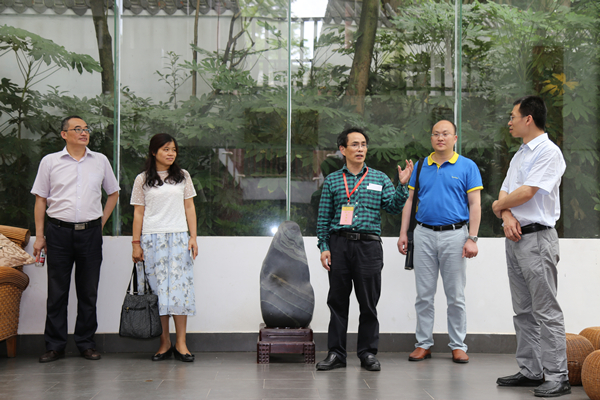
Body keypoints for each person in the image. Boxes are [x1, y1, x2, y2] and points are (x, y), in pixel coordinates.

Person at [316, 127, 413, 372]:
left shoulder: (379, 178)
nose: (360, 149)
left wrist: (402, 186)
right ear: (343, 149)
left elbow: (393, 207)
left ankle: (367, 353)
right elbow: (323, 217)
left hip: (369, 247)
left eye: (363, 145)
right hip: (339, 245)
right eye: (355, 144)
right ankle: (336, 353)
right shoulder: (333, 180)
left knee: (368, 303)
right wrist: (324, 246)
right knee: (337, 302)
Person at [492, 96, 570, 397]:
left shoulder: (549, 152)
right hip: (515, 236)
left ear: (528, 118)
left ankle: (558, 376)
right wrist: (505, 214)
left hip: (537, 238)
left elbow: (527, 192)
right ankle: (531, 370)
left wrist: (499, 206)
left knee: (545, 310)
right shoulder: (520, 154)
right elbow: (506, 191)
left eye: (513, 116)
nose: (509, 122)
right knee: (523, 310)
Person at [31, 116, 120, 363]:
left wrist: (100, 223)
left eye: (86, 129)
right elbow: (40, 199)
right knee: (57, 292)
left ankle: (86, 343)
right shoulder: (50, 161)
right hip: (58, 232)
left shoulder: (100, 160)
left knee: (88, 291)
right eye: (77, 129)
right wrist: (40, 236)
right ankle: (54, 346)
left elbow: (113, 193)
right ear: (64, 134)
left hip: (90, 234)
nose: (83, 133)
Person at [397, 120, 482, 364]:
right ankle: (423, 344)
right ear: (431, 138)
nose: (440, 138)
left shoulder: (467, 166)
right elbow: (410, 201)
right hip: (423, 234)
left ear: (455, 138)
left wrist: (472, 238)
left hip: (455, 235)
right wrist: (404, 233)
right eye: (436, 134)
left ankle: (458, 345)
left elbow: (475, 204)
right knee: (424, 295)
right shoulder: (421, 165)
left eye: (445, 134)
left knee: (455, 295)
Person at [131, 133, 198, 362]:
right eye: (166, 149)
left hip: (179, 239)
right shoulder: (142, 179)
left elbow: (189, 207)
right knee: (158, 293)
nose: (171, 154)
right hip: (152, 240)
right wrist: (136, 243)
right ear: (154, 152)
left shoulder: (183, 176)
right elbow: (138, 212)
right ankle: (164, 342)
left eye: (174, 150)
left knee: (180, 292)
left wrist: (193, 237)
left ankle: (181, 343)